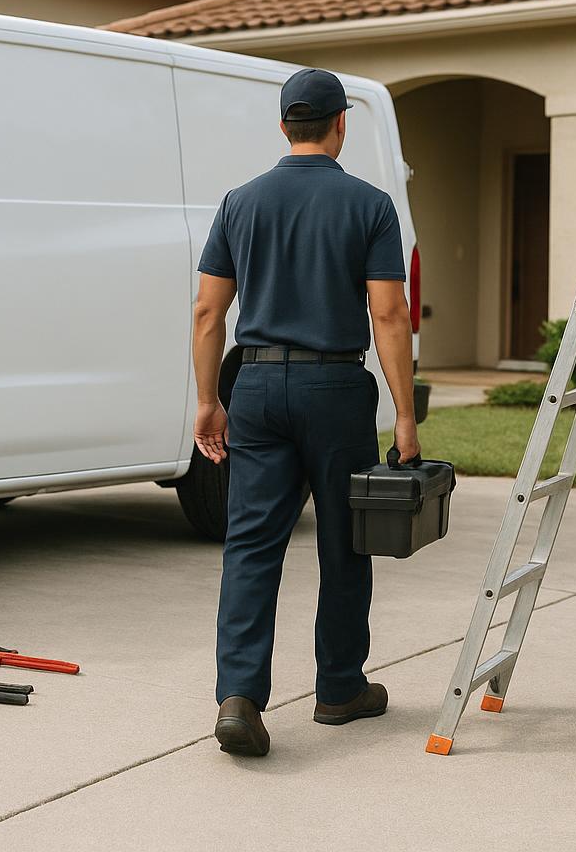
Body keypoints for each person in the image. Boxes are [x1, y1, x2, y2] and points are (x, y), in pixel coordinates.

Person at [190, 67, 419, 758]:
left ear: (284, 125)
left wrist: (208, 400)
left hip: (255, 388)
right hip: (335, 390)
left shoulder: (240, 202)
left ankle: (239, 696)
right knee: (345, 541)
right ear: (340, 123)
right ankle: (340, 689)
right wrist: (405, 416)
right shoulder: (370, 204)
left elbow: (208, 311)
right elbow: (388, 311)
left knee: (252, 544)